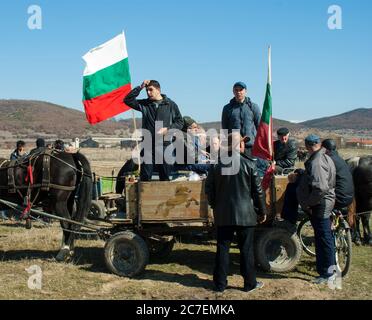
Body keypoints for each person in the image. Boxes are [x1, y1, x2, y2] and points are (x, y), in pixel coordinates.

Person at [205, 132, 267, 293]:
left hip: (223, 213)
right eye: (242, 143)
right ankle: (249, 283)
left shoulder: (217, 165)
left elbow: (209, 190)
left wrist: (215, 205)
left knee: (222, 249)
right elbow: (258, 192)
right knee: (246, 250)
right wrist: (262, 211)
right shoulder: (249, 164)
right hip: (246, 214)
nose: (244, 146)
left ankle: (220, 285)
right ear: (238, 145)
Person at [296, 134, 337, 284]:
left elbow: (320, 188)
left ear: (307, 147)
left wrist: (308, 203)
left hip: (320, 204)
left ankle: (329, 274)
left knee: (324, 239)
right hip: (322, 202)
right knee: (323, 238)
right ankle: (326, 272)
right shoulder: (324, 157)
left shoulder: (317, 162)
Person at [124, 80, 183, 181]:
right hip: (148, 146)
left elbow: (180, 122)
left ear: (158, 90)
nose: (148, 92)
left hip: (165, 146)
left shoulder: (170, 105)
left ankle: (164, 196)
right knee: (145, 177)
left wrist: (168, 129)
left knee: (165, 177)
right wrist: (140, 87)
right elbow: (128, 100)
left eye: (151, 90)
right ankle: (144, 196)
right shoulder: (145, 104)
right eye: (146, 90)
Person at [221, 82, 261, 156]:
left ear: (245, 91)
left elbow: (259, 127)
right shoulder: (227, 108)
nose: (238, 92)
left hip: (251, 146)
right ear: (233, 91)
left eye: (241, 90)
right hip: (234, 147)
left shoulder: (254, 107)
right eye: (236, 90)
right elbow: (224, 128)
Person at [321, 139, 354, 211]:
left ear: (324, 149)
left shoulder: (328, 160)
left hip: (339, 198)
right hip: (349, 196)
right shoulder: (339, 159)